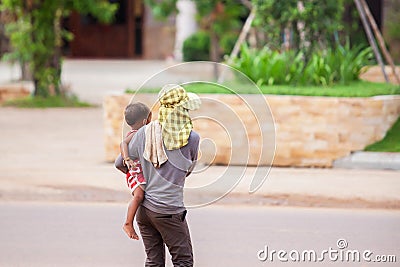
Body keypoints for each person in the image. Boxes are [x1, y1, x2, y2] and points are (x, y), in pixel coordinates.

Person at [127, 84, 201, 266]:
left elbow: (121, 162)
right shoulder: (192, 138)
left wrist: (142, 179)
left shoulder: (144, 132)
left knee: (154, 261)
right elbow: (187, 171)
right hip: (169, 211)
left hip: (144, 211)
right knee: (183, 261)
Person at [115, 102, 152, 240]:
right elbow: (123, 143)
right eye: (150, 118)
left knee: (142, 195)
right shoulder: (136, 134)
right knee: (138, 196)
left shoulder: (142, 133)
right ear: (145, 121)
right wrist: (127, 158)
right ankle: (128, 223)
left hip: (138, 172)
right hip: (135, 173)